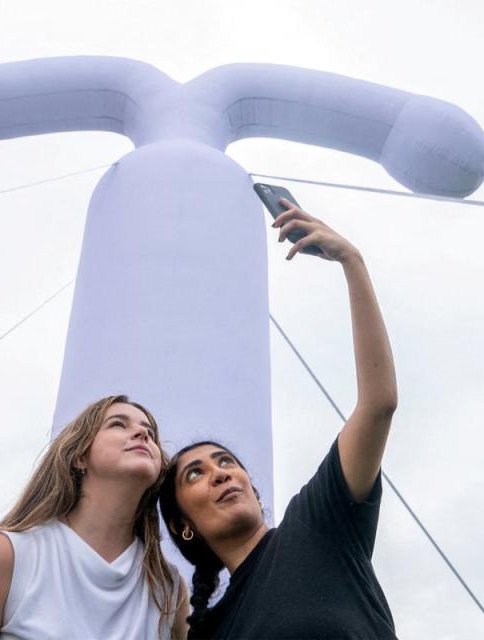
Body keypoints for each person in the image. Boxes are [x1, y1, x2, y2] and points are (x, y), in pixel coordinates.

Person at [159, 199, 399, 639]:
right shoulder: (209, 631)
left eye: (226, 462)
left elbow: (378, 404)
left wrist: (352, 261)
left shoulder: (316, 525)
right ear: (182, 527)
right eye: (196, 473)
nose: (220, 474)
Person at [0, 395, 190, 639]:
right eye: (117, 424)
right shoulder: (9, 554)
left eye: (151, 432)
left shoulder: (169, 590)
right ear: (79, 456)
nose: (143, 433)